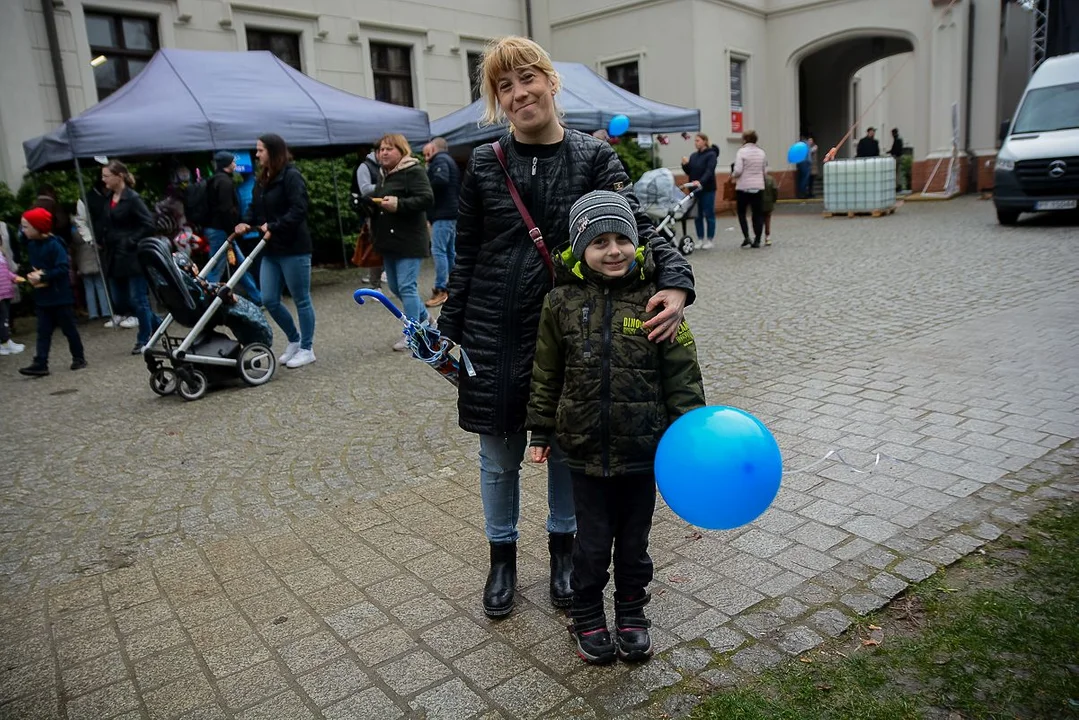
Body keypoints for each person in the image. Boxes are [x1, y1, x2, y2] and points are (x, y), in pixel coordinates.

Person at [437, 36, 695, 619]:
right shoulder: (484, 161)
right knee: (498, 455)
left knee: (564, 449)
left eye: (527, 78)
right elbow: (467, 251)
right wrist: (446, 334)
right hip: (492, 329)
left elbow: (638, 230)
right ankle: (501, 557)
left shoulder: (594, 158)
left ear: (551, 82)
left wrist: (676, 282)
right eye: (504, 85)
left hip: (572, 329)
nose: (519, 92)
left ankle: (562, 552)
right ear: (497, 100)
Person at [526, 191, 706, 664]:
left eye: (622, 239)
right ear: (580, 248)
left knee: (634, 543)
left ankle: (631, 613)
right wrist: (541, 431)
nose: (613, 251)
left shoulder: (657, 301)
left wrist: (692, 437)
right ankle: (586, 614)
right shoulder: (560, 302)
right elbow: (546, 373)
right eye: (599, 241)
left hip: (643, 451)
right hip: (583, 451)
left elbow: (683, 375)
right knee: (589, 544)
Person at [235, 133, 317, 369]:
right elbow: (255, 207)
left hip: (294, 248)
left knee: (301, 299)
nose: (256, 154)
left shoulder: (291, 176)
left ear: (273, 151)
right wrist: (245, 222)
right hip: (271, 249)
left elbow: (299, 209)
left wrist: (275, 226)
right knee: (269, 299)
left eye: (260, 150)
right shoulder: (263, 178)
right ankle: (294, 338)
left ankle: (307, 348)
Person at [368, 133, 434, 349]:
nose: (383, 153)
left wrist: (399, 204)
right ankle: (428, 322)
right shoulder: (383, 174)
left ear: (402, 150)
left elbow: (426, 198)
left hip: (410, 240)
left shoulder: (412, 171)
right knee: (396, 288)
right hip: (390, 241)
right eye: (381, 149)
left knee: (407, 287)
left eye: (389, 149)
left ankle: (414, 333)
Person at [17, 208, 86, 376]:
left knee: (69, 329)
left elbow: (62, 268)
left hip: (60, 296)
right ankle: (41, 362)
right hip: (42, 297)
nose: (23, 230)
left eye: (26, 227)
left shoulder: (55, 245)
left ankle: (79, 357)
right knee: (43, 332)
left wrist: (44, 276)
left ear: (38, 228)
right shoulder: (31, 243)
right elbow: (20, 237)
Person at [100, 160, 160, 354]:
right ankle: (157, 322)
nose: (104, 180)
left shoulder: (133, 199)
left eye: (106, 176)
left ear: (119, 176)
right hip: (115, 256)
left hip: (132, 256)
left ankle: (144, 337)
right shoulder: (109, 198)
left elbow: (148, 224)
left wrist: (131, 240)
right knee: (121, 299)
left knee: (138, 298)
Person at [205, 151, 263, 305]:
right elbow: (226, 209)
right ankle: (207, 300)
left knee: (240, 264)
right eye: (232, 161)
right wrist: (233, 229)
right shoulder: (225, 182)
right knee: (216, 268)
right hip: (223, 231)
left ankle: (257, 297)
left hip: (219, 229)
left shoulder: (213, 180)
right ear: (227, 164)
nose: (235, 164)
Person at [423, 137, 460, 308]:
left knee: (438, 250)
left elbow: (441, 179)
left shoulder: (440, 160)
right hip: (451, 212)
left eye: (427, 150)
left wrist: (424, 188)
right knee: (450, 251)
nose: (425, 154)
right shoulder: (448, 159)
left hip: (443, 213)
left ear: (434, 148)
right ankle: (454, 285)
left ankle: (441, 288)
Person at [71, 201, 109, 321]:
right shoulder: (90, 227)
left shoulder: (74, 230)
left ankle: (93, 312)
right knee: (100, 285)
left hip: (83, 262)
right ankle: (105, 310)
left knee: (88, 287)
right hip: (94, 258)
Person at [351, 147, 383, 289]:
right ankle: (375, 285)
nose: (385, 153)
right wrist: (386, 186)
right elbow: (364, 189)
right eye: (383, 150)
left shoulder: (384, 166)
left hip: (387, 212)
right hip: (373, 213)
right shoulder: (365, 167)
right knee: (374, 248)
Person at [680, 133, 719, 249]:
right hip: (695, 190)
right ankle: (700, 239)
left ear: (705, 141)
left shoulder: (711, 155)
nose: (695, 143)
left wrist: (701, 182)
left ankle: (710, 239)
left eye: (698, 140)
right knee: (697, 215)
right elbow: (690, 172)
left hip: (707, 189)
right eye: (695, 141)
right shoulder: (694, 156)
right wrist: (685, 165)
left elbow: (709, 171)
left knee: (709, 214)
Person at [732, 130, 768, 248]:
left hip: (743, 187)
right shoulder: (761, 153)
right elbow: (765, 171)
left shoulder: (741, 152)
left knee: (742, 213)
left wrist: (732, 175)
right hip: (758, 186)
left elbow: (738, 170)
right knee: (757, 213)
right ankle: (757, 239)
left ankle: (746, 236)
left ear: (744, 139)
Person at [0, 229, 24, 356]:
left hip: (6, 292)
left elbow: (6, 272)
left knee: (6, 318)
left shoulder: (1, 256)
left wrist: (14, 277)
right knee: (2, 319)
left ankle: (7, 341)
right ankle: (3, 342)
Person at [761, 173, 778, 247]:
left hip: (758, 202)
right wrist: (774, 200)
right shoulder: (771, 179)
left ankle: (757, 236)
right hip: (769, 202)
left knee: (758, 219)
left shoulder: (756, 179)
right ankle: (767, 236)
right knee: (767, 219)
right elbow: (775, 191)